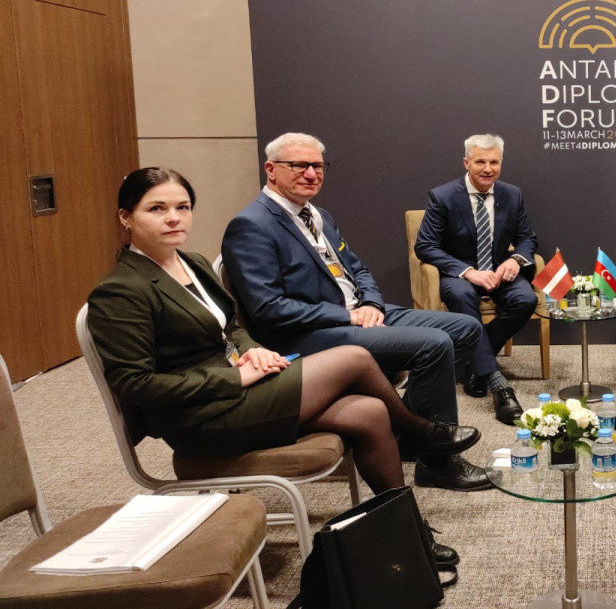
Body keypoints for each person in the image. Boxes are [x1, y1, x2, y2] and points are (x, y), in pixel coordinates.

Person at [87, 167, 467, 565]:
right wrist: (234, 376)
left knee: (369, 412)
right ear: (126, 217)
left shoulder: (190, 262)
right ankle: (419, 431)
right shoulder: (120, 290)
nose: (173, 218)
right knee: (354, 358)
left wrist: (252, 350)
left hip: (238, 394)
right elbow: (137, 386)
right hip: (200, 421)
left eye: (182, 207)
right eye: (156, 209)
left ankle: (405, 531)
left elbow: (230, 326)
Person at [221, 132, 490, 492]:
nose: (311, 174)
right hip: (307, 334)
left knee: (466, 327)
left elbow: (357, 270)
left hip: (358, 313)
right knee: (435, 343)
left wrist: (371, 304)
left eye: (318, 166)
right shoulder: (252, 225)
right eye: (299, 165)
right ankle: (436, 460)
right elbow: (269, 308)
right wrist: (347, 316)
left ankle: (407, 435)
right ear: (271, 169)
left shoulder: (319, 215)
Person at [414, 134, 535, 425]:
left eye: (494, 162)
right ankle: (499, 386)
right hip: (461, 274)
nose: (488, 169)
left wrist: (515, 260)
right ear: (466, 163)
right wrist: (468, 272)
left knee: (526, 298)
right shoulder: (443, 196)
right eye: (480, 162)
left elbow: (527, 238)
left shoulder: (512, 194)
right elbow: (425, 246)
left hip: (498, 271)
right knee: (462, 295)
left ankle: (470, 362)